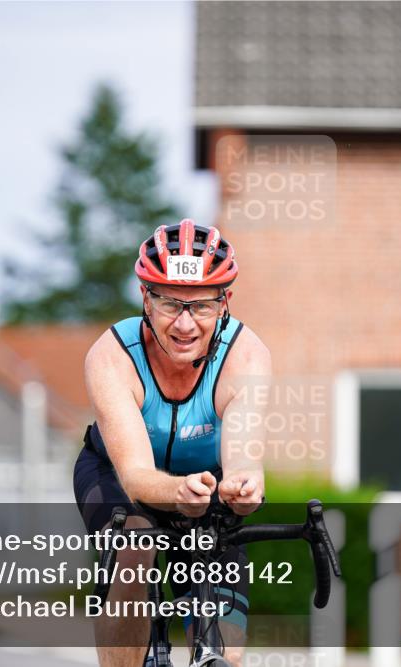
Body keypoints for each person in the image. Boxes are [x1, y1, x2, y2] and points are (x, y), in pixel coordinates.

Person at [74, 219, 271, 667]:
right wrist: (178, 493)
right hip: (115, 476)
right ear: (145, 298)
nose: (185, 324)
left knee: (227, 650)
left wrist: (243, 488)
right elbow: (137, 477)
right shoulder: (111, 356)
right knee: (136, 542)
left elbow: (242, 458)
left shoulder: (246, 356)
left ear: (225, 304)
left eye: (201, 306)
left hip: (207, 483)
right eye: (169, 303)